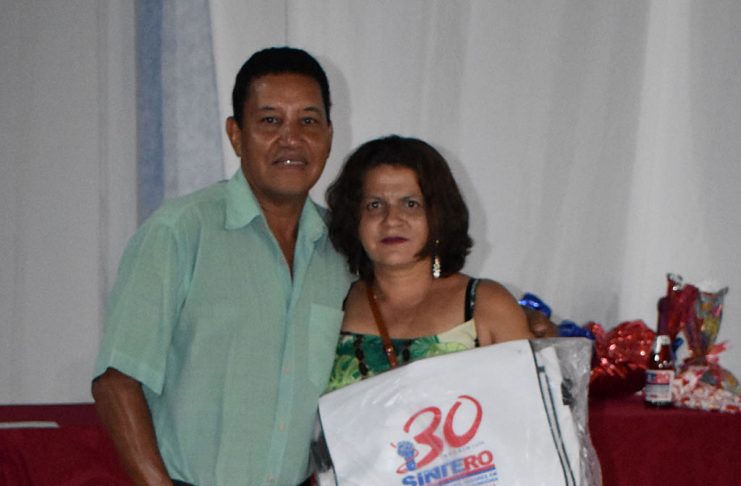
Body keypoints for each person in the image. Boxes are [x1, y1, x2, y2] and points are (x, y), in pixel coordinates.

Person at [91, 47, 352, 486]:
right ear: (236, 134)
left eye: (308, 121)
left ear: (328, 134)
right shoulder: (179, 233)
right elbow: (116, 382)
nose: (291, 139)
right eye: (270, 120)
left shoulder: (343, 251)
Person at [324, 135, 534, 391]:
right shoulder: (333, 302)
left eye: (411, 204)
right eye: (375, 205)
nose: (392, 219)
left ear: (439, 215)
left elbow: (531, 408)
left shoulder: (487, 305)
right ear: (354, 218)